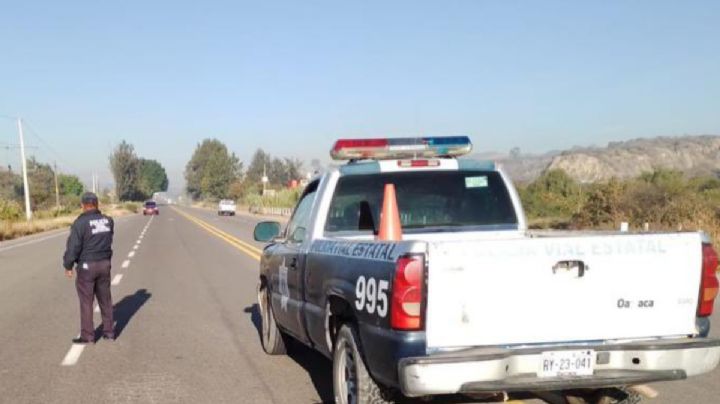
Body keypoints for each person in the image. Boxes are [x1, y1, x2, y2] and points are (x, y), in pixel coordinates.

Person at [63, 192, 115, 344]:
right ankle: (109, 332)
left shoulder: (80, 223)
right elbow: (109, 240)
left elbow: (73, 247)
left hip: (87, 266)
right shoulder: (108, 221)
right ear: (97, 204)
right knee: (105, 299)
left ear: (83, 205)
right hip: (104, 264)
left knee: (86, 301)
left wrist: (68, 265)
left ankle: (88, 335)